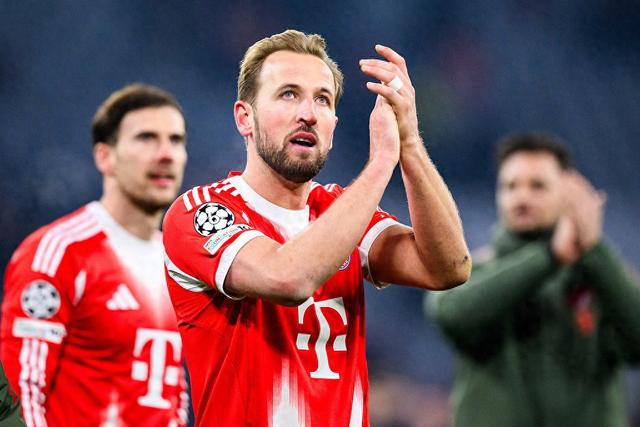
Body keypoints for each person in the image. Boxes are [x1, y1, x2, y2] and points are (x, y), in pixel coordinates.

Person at [162, 29, 471, 426]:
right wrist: (381, 163)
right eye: (288, 94)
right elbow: (287, 278)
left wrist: (409, 143)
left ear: (333, 124)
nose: (308, 113)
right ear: (245, 118)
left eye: (322, 99)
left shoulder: (342, 208)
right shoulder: (201, 212)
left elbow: (448, 268)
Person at [0, 84, 189, 427]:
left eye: (175, 140)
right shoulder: (60, 252)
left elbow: (173, 391)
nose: (166, 154)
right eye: (146, 138)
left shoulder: (180, 263)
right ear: (105, 156)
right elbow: (18, 392)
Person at [427, 132, 640, 427]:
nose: (522, 197)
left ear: (568, 194)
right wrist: (550, 256)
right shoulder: (476, 269)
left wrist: (594, 250)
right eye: (510, 186)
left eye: (537, 186)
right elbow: (451, 315)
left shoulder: (603, 278)